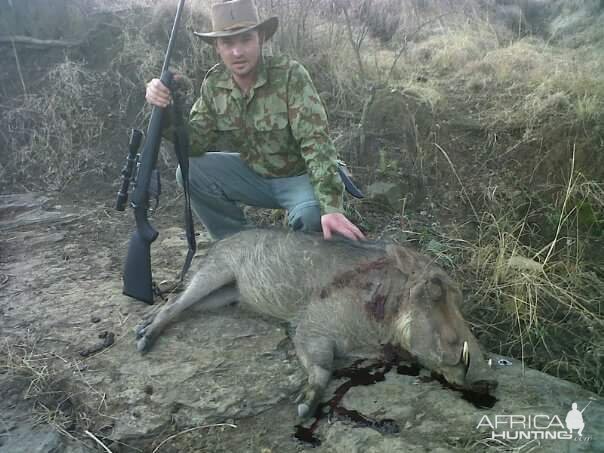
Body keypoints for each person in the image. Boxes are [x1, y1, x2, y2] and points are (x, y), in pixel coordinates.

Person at [145, 0, 365, 241]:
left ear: (260, 38)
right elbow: (194, 143)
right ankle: (238, 245)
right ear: (217, 47)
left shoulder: (291, 75)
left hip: (299, 176)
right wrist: (166, 110)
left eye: (245, 39)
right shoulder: (214, 84)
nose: (237, 52)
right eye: (227, 43)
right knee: (189, 173)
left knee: (311, 217)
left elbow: (316, 143)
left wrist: (331, 206)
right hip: (254, 174)